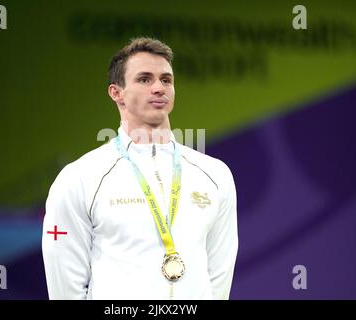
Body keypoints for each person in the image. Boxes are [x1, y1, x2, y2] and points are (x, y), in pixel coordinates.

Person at [42, 37, 238, 300]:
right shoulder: (81, 177)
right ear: (116, 93)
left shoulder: (215, 175)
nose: (159, 88)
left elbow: (219, 274)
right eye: (144, 79)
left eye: (166, 80)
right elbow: (66, 285)